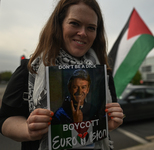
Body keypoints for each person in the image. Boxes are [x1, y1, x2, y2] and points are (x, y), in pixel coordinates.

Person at [0, 0, 124, 150]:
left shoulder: (104, 74)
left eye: (91, 28)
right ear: (59, 25)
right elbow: (5, 119)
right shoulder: (30, 69)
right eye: (75, 23)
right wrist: (28, 129)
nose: (83, 33)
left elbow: (104, 125)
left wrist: (109, 124)